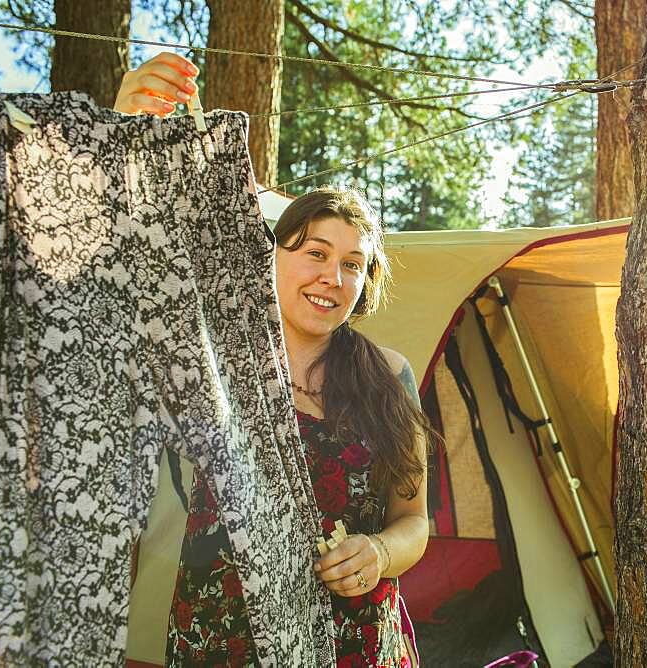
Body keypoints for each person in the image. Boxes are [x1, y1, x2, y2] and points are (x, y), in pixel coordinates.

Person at [115, 55, 431, 667]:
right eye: (314, 252)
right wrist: (129, 130)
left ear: (366, 283)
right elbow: (122, 267)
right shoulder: (210, 358)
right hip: (224, 638)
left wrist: (379, 554)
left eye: (352, 264)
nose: (331, 277)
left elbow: (413, 519)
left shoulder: (389, 376)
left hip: (355, 642)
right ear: (273, 257)